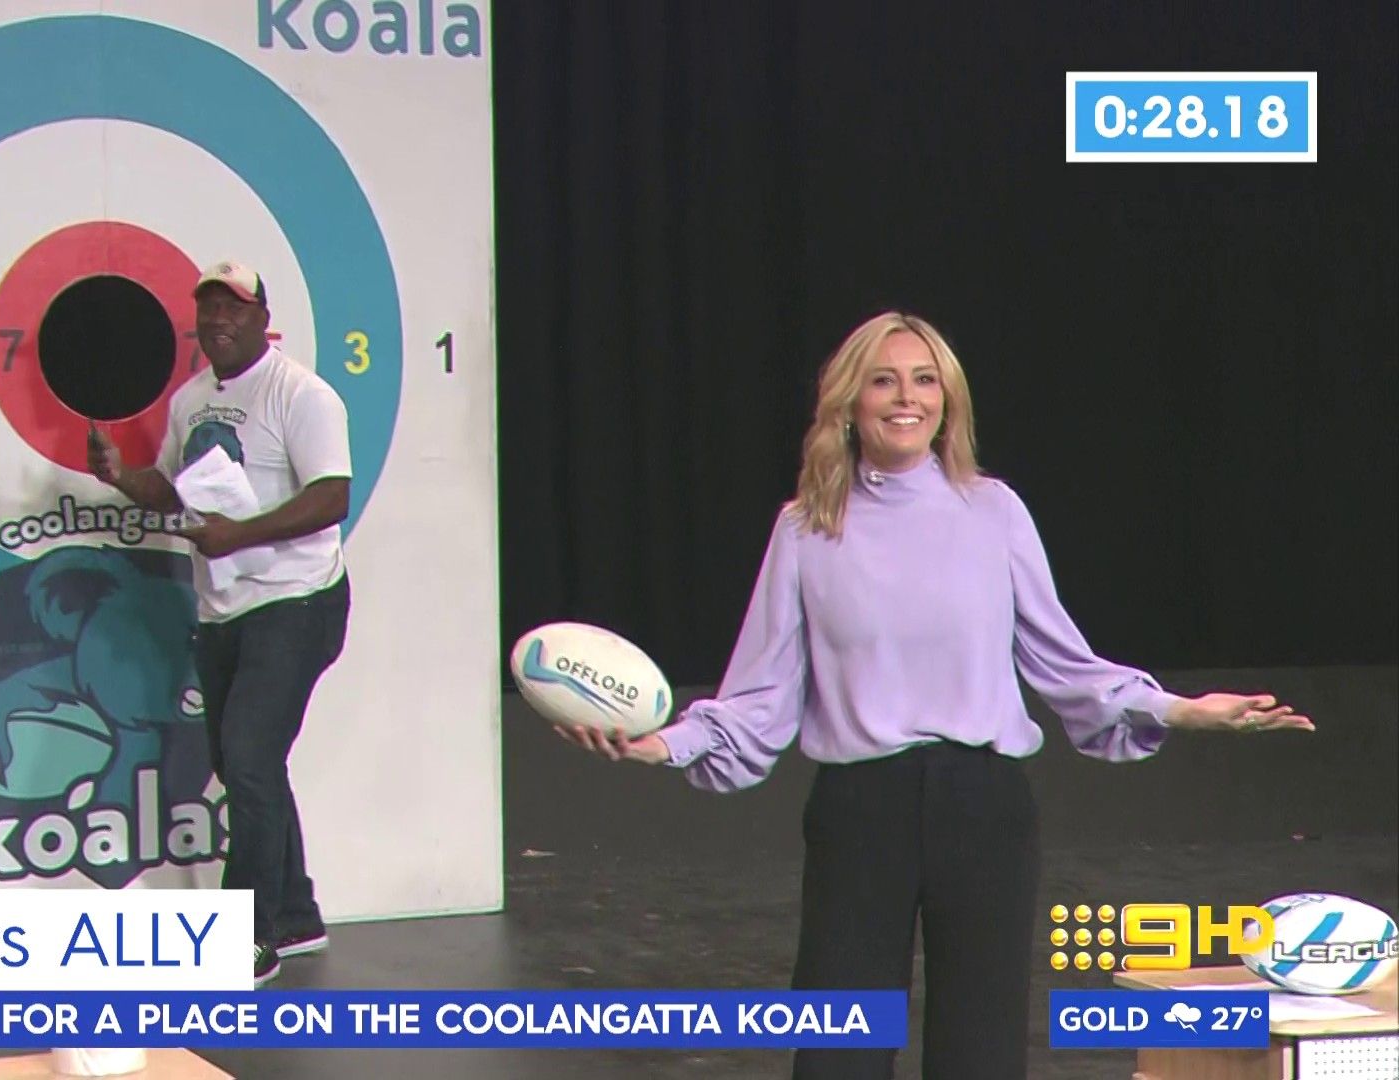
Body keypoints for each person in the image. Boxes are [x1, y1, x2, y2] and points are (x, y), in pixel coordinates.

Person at [559, 311, 1314, 1080]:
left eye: (925, 380)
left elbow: (1066, 662)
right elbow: (760, 695)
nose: (906, 398)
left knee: (979, 1054)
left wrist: (1181, 711)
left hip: (983, 810)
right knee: (839, 1051)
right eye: (883, 381)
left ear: (948, 400)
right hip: (861, 812)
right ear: (849, 402)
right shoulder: (806, 529)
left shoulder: (994, 512)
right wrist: (659, 744)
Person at [88, 259, 354, 987]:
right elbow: (173, 491)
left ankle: (248, 937)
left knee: (248, 759)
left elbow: (332, 496)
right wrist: (121, 476)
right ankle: (294, 915)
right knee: (248, 763)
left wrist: (241, 534)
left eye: (234, 308)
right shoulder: (191, 400)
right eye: (208, 308)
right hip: (223, 607)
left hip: (298, 601)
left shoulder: (302, 395)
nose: (219, 321)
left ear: (263, 318)